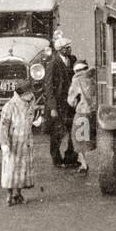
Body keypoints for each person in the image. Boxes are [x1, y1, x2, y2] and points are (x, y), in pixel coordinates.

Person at [0, 78, 36, 206]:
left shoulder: (30, 102)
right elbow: (3, 126)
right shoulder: (10, 106)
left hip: (25, 141)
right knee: (10, 169)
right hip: (13, 142)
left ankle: (18, 193)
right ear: (22, 94)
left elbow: (31, 117)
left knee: (22, 169)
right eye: (29, 92)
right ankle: (9, 195)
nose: (31, 95)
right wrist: (4, 144)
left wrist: (35, 122)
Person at [47, 33, 77, 168]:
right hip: (59, 104)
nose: (69, 50)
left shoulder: (72, 60)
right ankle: (56, 158)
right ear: (60, 50)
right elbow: (49, 87)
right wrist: (53, 108)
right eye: (67, 48)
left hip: (71, 102)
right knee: (57, 133)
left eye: (69, 47)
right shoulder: (53, 64)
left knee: (73, 131)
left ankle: (70, 157)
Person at [67, 60, 97, 174]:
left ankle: (84, 164)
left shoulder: (77, 79)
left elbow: (71, 100)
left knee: (77, 137)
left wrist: (75, 104)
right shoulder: (95, 76)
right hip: (96, 111)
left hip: (83, 111)